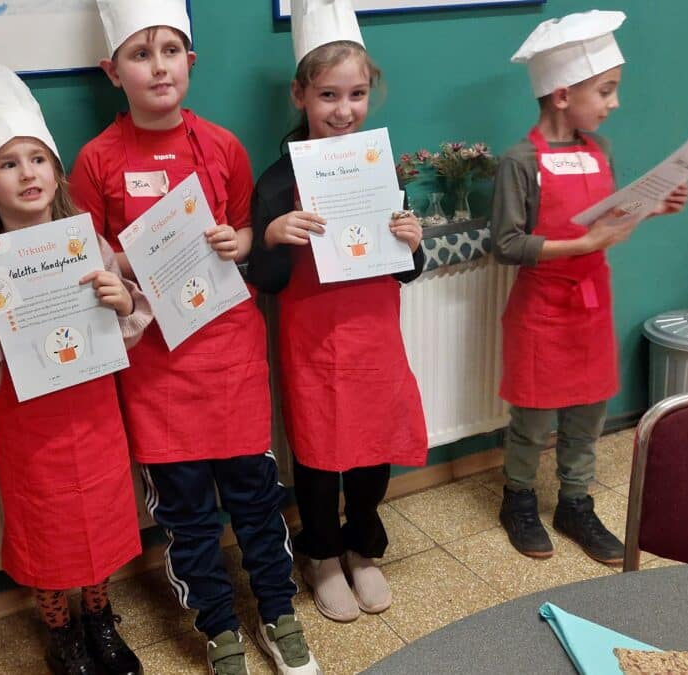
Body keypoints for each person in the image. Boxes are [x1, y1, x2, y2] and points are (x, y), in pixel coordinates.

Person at [68, 2, 319, 673]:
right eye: (141, 54)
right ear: (112, 70)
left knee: (256, 500)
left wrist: (231, 239)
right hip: (154, 364)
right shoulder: (96, 160)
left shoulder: (223, 146)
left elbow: (243, 235)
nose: (158, 66)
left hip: (228, 350)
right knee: (186, 514)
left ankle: (277, 611)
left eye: (170, 51)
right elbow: (84, 256)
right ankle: (217, 626)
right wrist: (130, 258)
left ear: (191, 62)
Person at [0, 60, 152, 675]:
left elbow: (124, 330)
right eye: (8, 163)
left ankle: (101, 620)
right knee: (46, 524)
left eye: (37, 158)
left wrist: (120, 301)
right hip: (29, 427)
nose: (26, 173)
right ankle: (61, 631)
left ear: (56, 170)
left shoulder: (91, 246)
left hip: (94, 415)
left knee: (102, 519)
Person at [246, 0, 428, 625]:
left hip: (375, 338)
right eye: (328, 95)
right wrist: (272, 237)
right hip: (313, 343)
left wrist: (412, 239)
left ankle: (363, 544)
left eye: (356, 94)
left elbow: (406, 269)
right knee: (321, 455)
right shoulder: (275, 182)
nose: (343, 110)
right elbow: (265, 281)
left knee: (374, 446)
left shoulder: (378, 169)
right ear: (300, 94)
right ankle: (321, 554)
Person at [493, 10, 688, 563]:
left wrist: (651, 208)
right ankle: (520, 499)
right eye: (606, 90)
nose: (614, 103)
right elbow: (506, 244)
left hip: (591, 304)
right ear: (561, 94)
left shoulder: (598, 148)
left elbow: (603, 221)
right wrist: (579, 247)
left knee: (587, 418)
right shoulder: (519, 161)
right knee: (532, 421)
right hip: (541, 309)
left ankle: (575, 504)